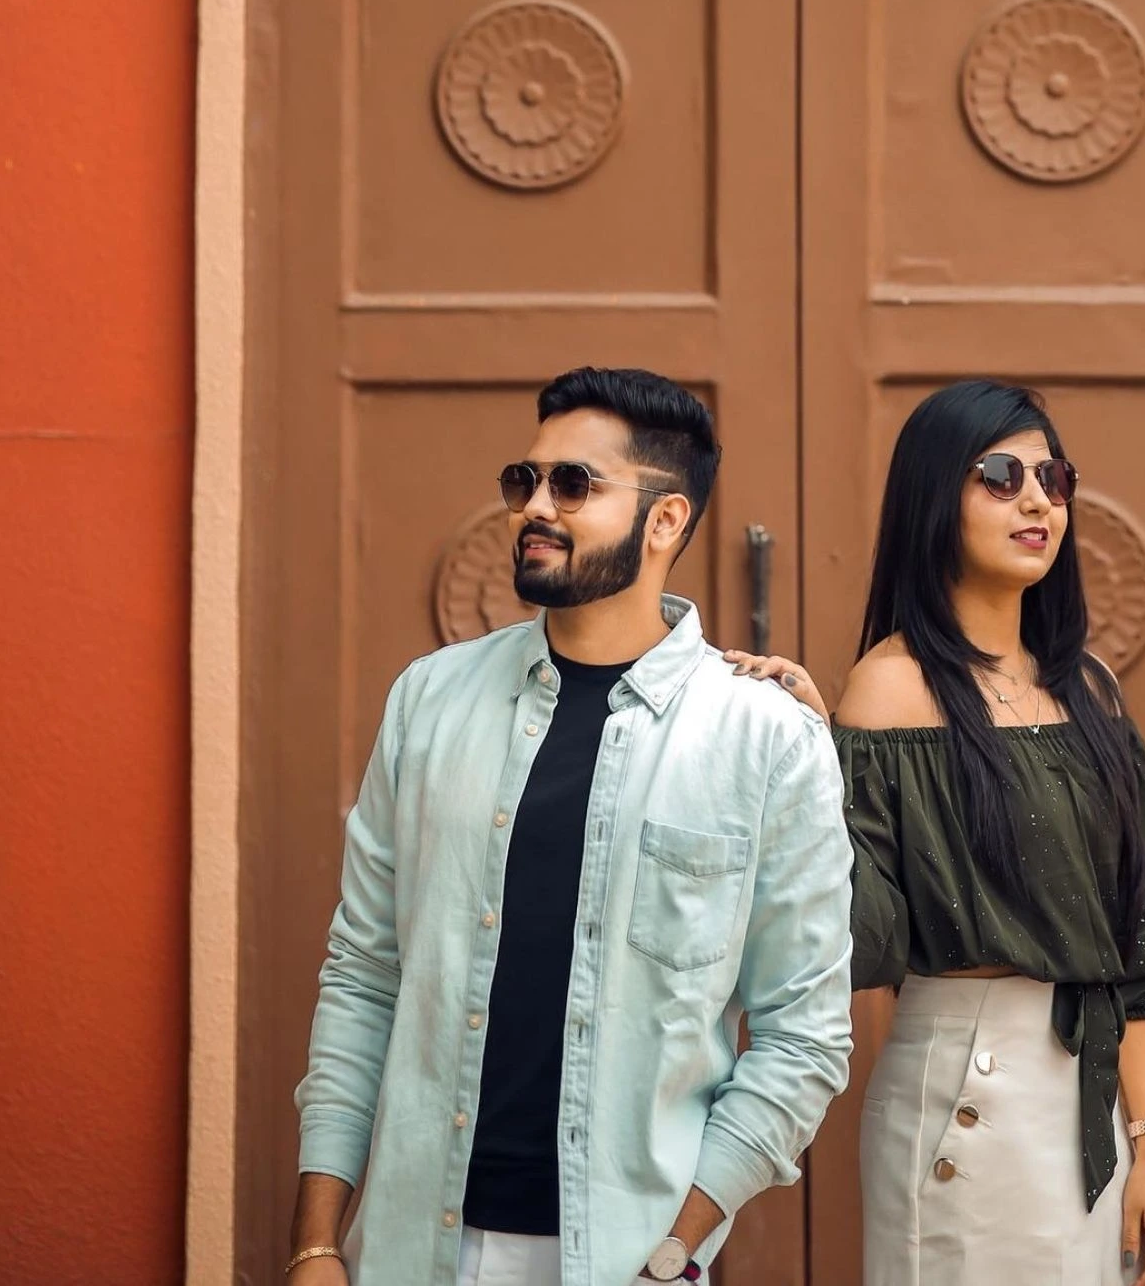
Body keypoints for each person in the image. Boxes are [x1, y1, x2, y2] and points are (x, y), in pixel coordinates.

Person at [287, 366, 854, 1286]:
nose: (534, 507)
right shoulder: (428, 701)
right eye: (526, 480)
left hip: (627, 1256)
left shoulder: (762, 739)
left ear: (664, 520)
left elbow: (802, 1035)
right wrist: (316, 1242)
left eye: (573, 484)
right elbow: (363, 975)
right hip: (408, 1242)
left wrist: (676, 1250)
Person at [723, 379, 1145, 1286]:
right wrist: (821, 770)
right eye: (998, 474)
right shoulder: (891, 689)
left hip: (1088, 1107)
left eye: (1051, 476)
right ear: (934, 497)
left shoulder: (1089, 689)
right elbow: (863, 937)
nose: (1036, 499)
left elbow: (1140, 937)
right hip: (963, 1094)